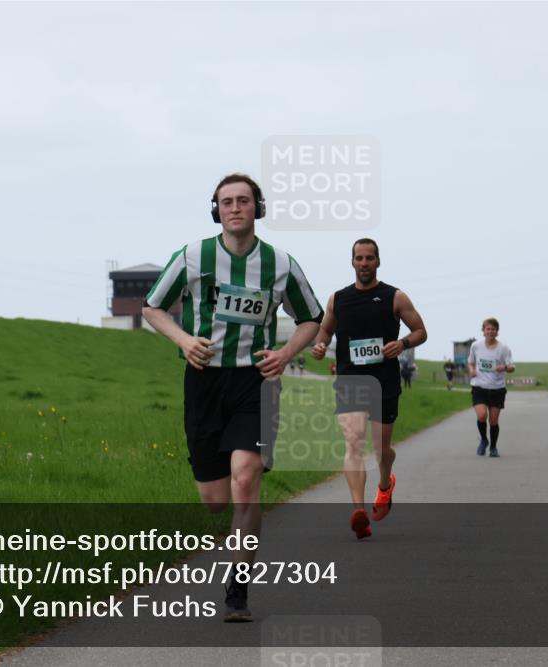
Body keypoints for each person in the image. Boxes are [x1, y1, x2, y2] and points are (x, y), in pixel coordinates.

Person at [142, 173, 322, 621]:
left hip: (254, 382)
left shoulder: (280, 264)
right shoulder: (192, 256)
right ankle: (236, 527)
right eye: (227, 202)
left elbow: (311, 318)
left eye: (244, 200)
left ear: (258, 208)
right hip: (204, 382)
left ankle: (238, 590)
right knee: (215, 501)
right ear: (216, 210)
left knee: (246, 480)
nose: (235, 208)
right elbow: (151, 307)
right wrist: (184, 340)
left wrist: (284, 354)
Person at [311, 239, 427, 539]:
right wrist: (321, 344)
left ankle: (386, 484)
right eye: (359, 258)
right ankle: (357, 510)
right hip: (350, 380)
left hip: (384, 382)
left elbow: (421, 331)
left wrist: (401, 344)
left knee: (380, 449)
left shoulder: (395, 297)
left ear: (378, 262)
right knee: (353, 441)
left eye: (369, 258)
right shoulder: (338, 299)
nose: (364, 263)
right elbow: (325, 328)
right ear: (352, 262)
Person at [468, 318, 515, 457]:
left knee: (493, 420)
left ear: (497, 332)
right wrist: (472, 370)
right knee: (482, 416)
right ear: (483, 331)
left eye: (493, 329)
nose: (490, 331)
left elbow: (512, 367)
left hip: (497, 389)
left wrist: (504, 367)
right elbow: (471, 362)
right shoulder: (476, 346)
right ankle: (484, 440)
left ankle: (493, 447)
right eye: (488, 329)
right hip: (479, 387)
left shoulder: (504, 348)